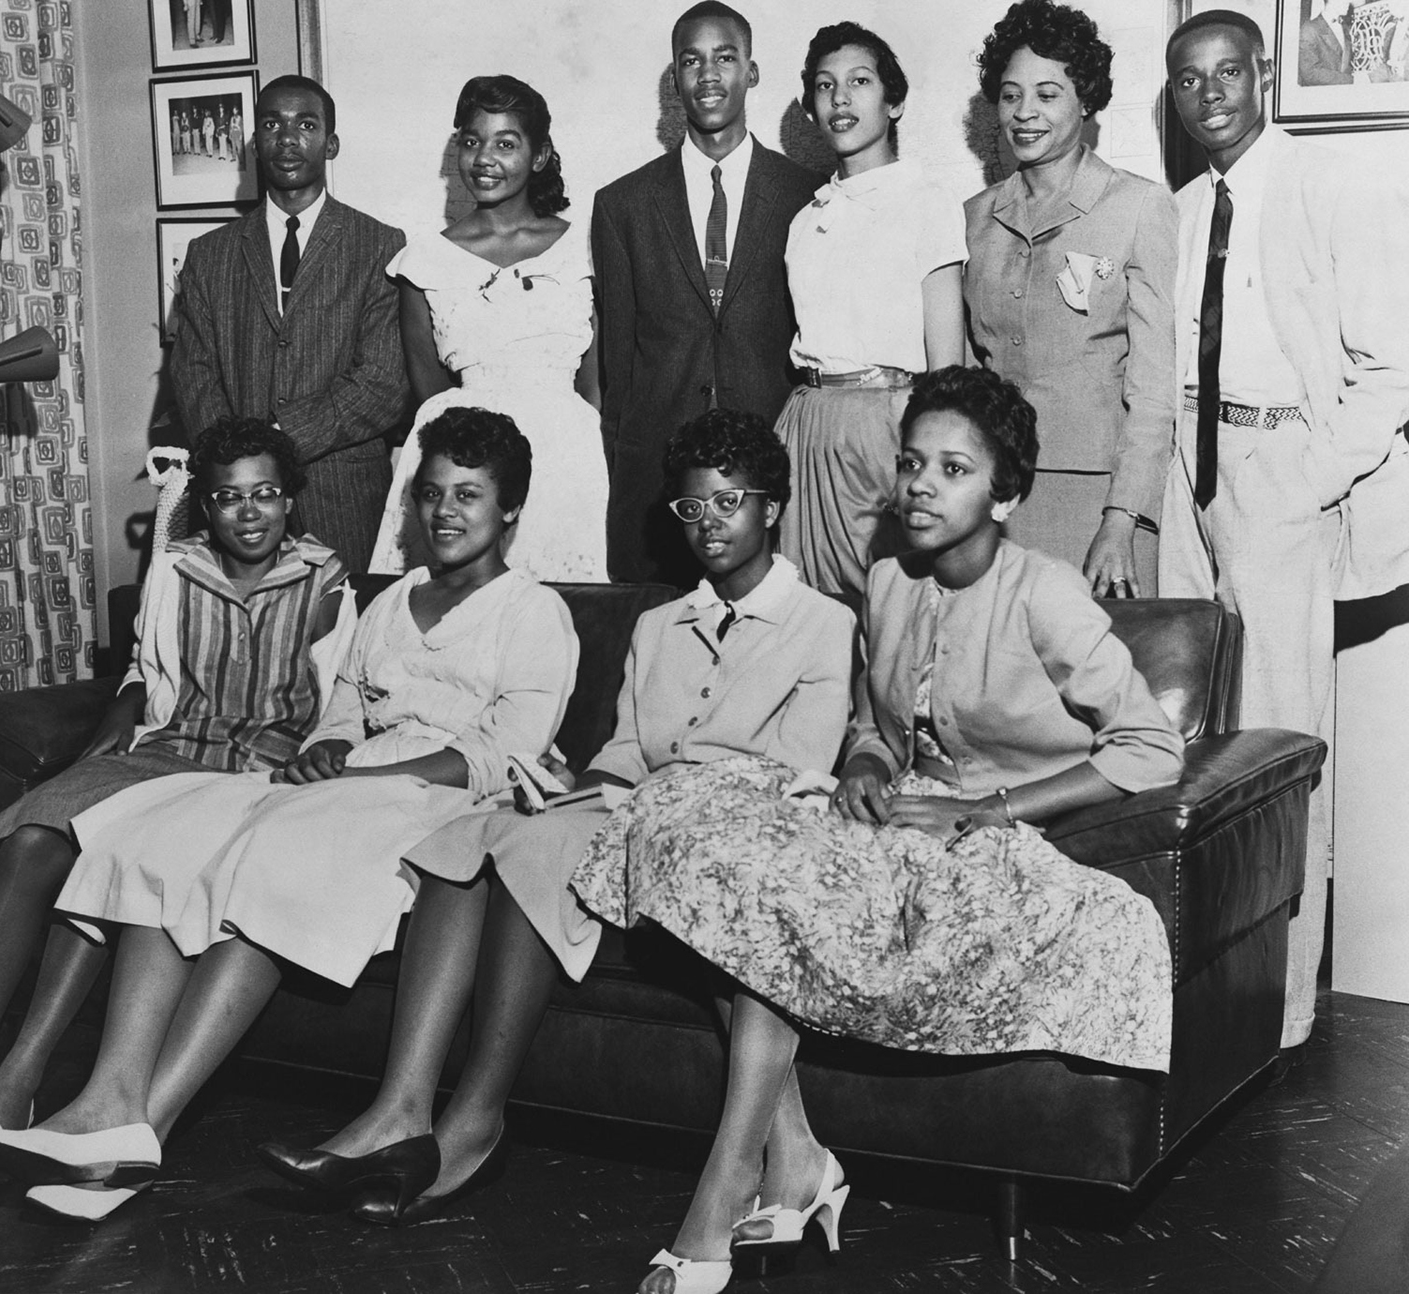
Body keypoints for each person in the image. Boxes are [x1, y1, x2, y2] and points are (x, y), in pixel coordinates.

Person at [580, 367, 1183, 1294]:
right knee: (733, 870)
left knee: (767, 906)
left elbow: (1150, 745)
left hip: (997, 845)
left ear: (1008, 494)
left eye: (953, 468)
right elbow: (873, 719)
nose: (921, 487)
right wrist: (865, 761)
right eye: (911, 463)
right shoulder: (887, 580)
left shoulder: (1045, 593)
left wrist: (990, 810)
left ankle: (725, 1192)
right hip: (893, 827)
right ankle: (798, 1159)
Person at [0, 409, 580, 1223]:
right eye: (431, 493)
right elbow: (341, 710)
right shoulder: (394, 599)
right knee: (173, 840)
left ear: (510, 509)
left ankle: (142, 1126)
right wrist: (329, 749)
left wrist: (370, 771)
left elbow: (505, 753)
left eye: (469, 495)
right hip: (344, 788)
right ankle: (105, 1101)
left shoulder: (533, 613)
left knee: (268, 859)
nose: (445, 512)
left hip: (432, 801)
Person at [256, 408, 855, 1230]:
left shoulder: (826, 624)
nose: (709, 524)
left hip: (728, 828)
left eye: (731, 502)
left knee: (533, 850)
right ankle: (401, 1109)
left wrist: (637, 796)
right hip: (631, 809)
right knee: (474, 832)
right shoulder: (656, 625)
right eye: (693, 507)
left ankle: (473, 1124)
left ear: (772, 509)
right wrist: (567, 780)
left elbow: (799, 768)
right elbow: (628, 748)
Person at [0, 419, 352, 1140]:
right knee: (35, 836)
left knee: (111, 858)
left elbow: (344, 702)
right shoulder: (175, 569)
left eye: (265, 495)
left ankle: (21, 1075)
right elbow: (145, 673)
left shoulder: (327, 581)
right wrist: (115, 725)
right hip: (171, 750)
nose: (248, 513)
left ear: (290, 501)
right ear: (208, 505)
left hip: (254, 775)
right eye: (229, 498)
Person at [1159, 10, 1409, 1063]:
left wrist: (1303, 485)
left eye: (1228, 72)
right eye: (1188, 77)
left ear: (1263, 74)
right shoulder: (1174, 210)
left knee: (1277, 751)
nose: (1209, 92)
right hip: (1186, 474)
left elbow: (1391, 366)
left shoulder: (1330, 187)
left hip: (1279, 476)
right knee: (1175, 745)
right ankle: (1186, 998)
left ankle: (1280, 1015)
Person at [593, 1, 819, 586]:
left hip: (773, 456)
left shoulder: (809, 195)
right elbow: (618, 361)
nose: (709, 75)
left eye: (725, 58)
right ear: (675, 79)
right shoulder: (622, 204)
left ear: (752, 71)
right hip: (659, 473)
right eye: (692, 61)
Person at [964, 0, 1177, 596]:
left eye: (1048, 94)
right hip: (995, 496)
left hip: (1100, 503)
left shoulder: (1139, 207)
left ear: (1086, 101)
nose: (1025, 113)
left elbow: (1154, 392)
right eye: (1010, 95)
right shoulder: (975, 218)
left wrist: (1122, 520)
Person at [370, 75, 606, 582]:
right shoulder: (423, 261)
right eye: (472, 141)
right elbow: (429, 390)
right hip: (463, 466)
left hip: (566, 463)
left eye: (506, 143)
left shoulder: (584, 247)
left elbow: (594, 384)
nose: (484, 159)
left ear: (539, 156)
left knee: (568, 610)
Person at [171, 75, 411, 570]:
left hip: (345, 496)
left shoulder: (379, 245)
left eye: (305, 124)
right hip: (237, 504)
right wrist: (244, 471)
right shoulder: (209, 255)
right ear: (255, 143)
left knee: (348, 637)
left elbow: (383, 384)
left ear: (331, 143)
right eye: (272, 124)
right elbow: (193, 375)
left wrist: (278, 443)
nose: (287, 138)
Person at [775, 21, 966, 610]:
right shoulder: (807, 217)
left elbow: (946, 359)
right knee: (802, 607)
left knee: (888, 601)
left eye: (859, 81)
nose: (840, 98)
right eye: (825, 85)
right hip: (804, 423)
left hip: (885, 423)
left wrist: (927, 453)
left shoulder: (924, 200)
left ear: (895, 99)